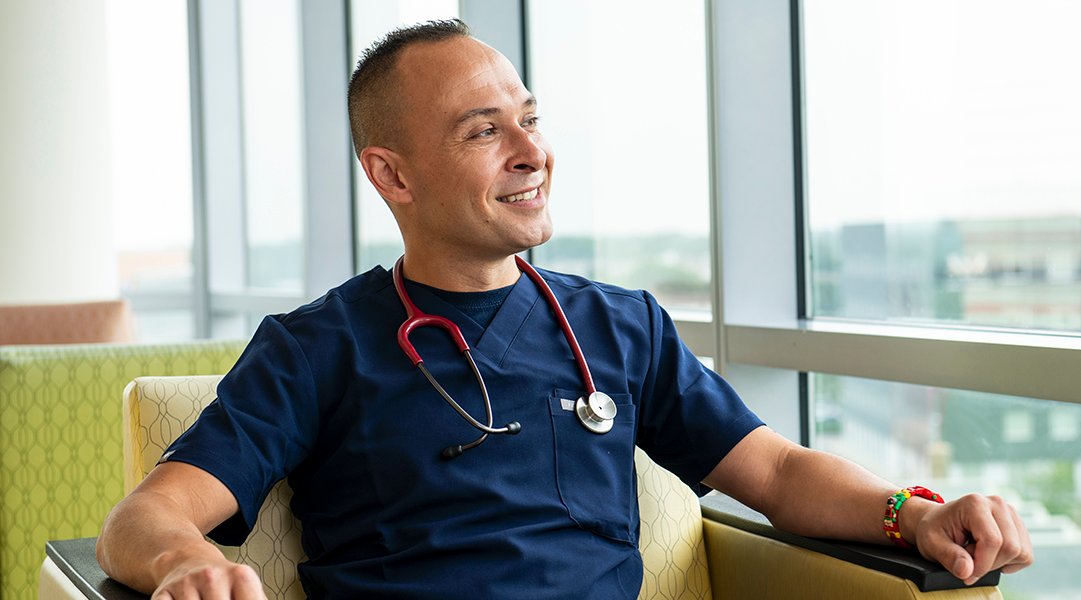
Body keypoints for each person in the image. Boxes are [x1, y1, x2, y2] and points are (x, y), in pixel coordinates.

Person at [96, 19, 1033, 599]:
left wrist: (911, 513)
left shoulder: (620, 328)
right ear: (392, 173)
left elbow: (781, 473)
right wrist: (184, 562)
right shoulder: (317, 348)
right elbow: (143, 520)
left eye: (530, 119)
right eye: (483, 130)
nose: (530, 151)